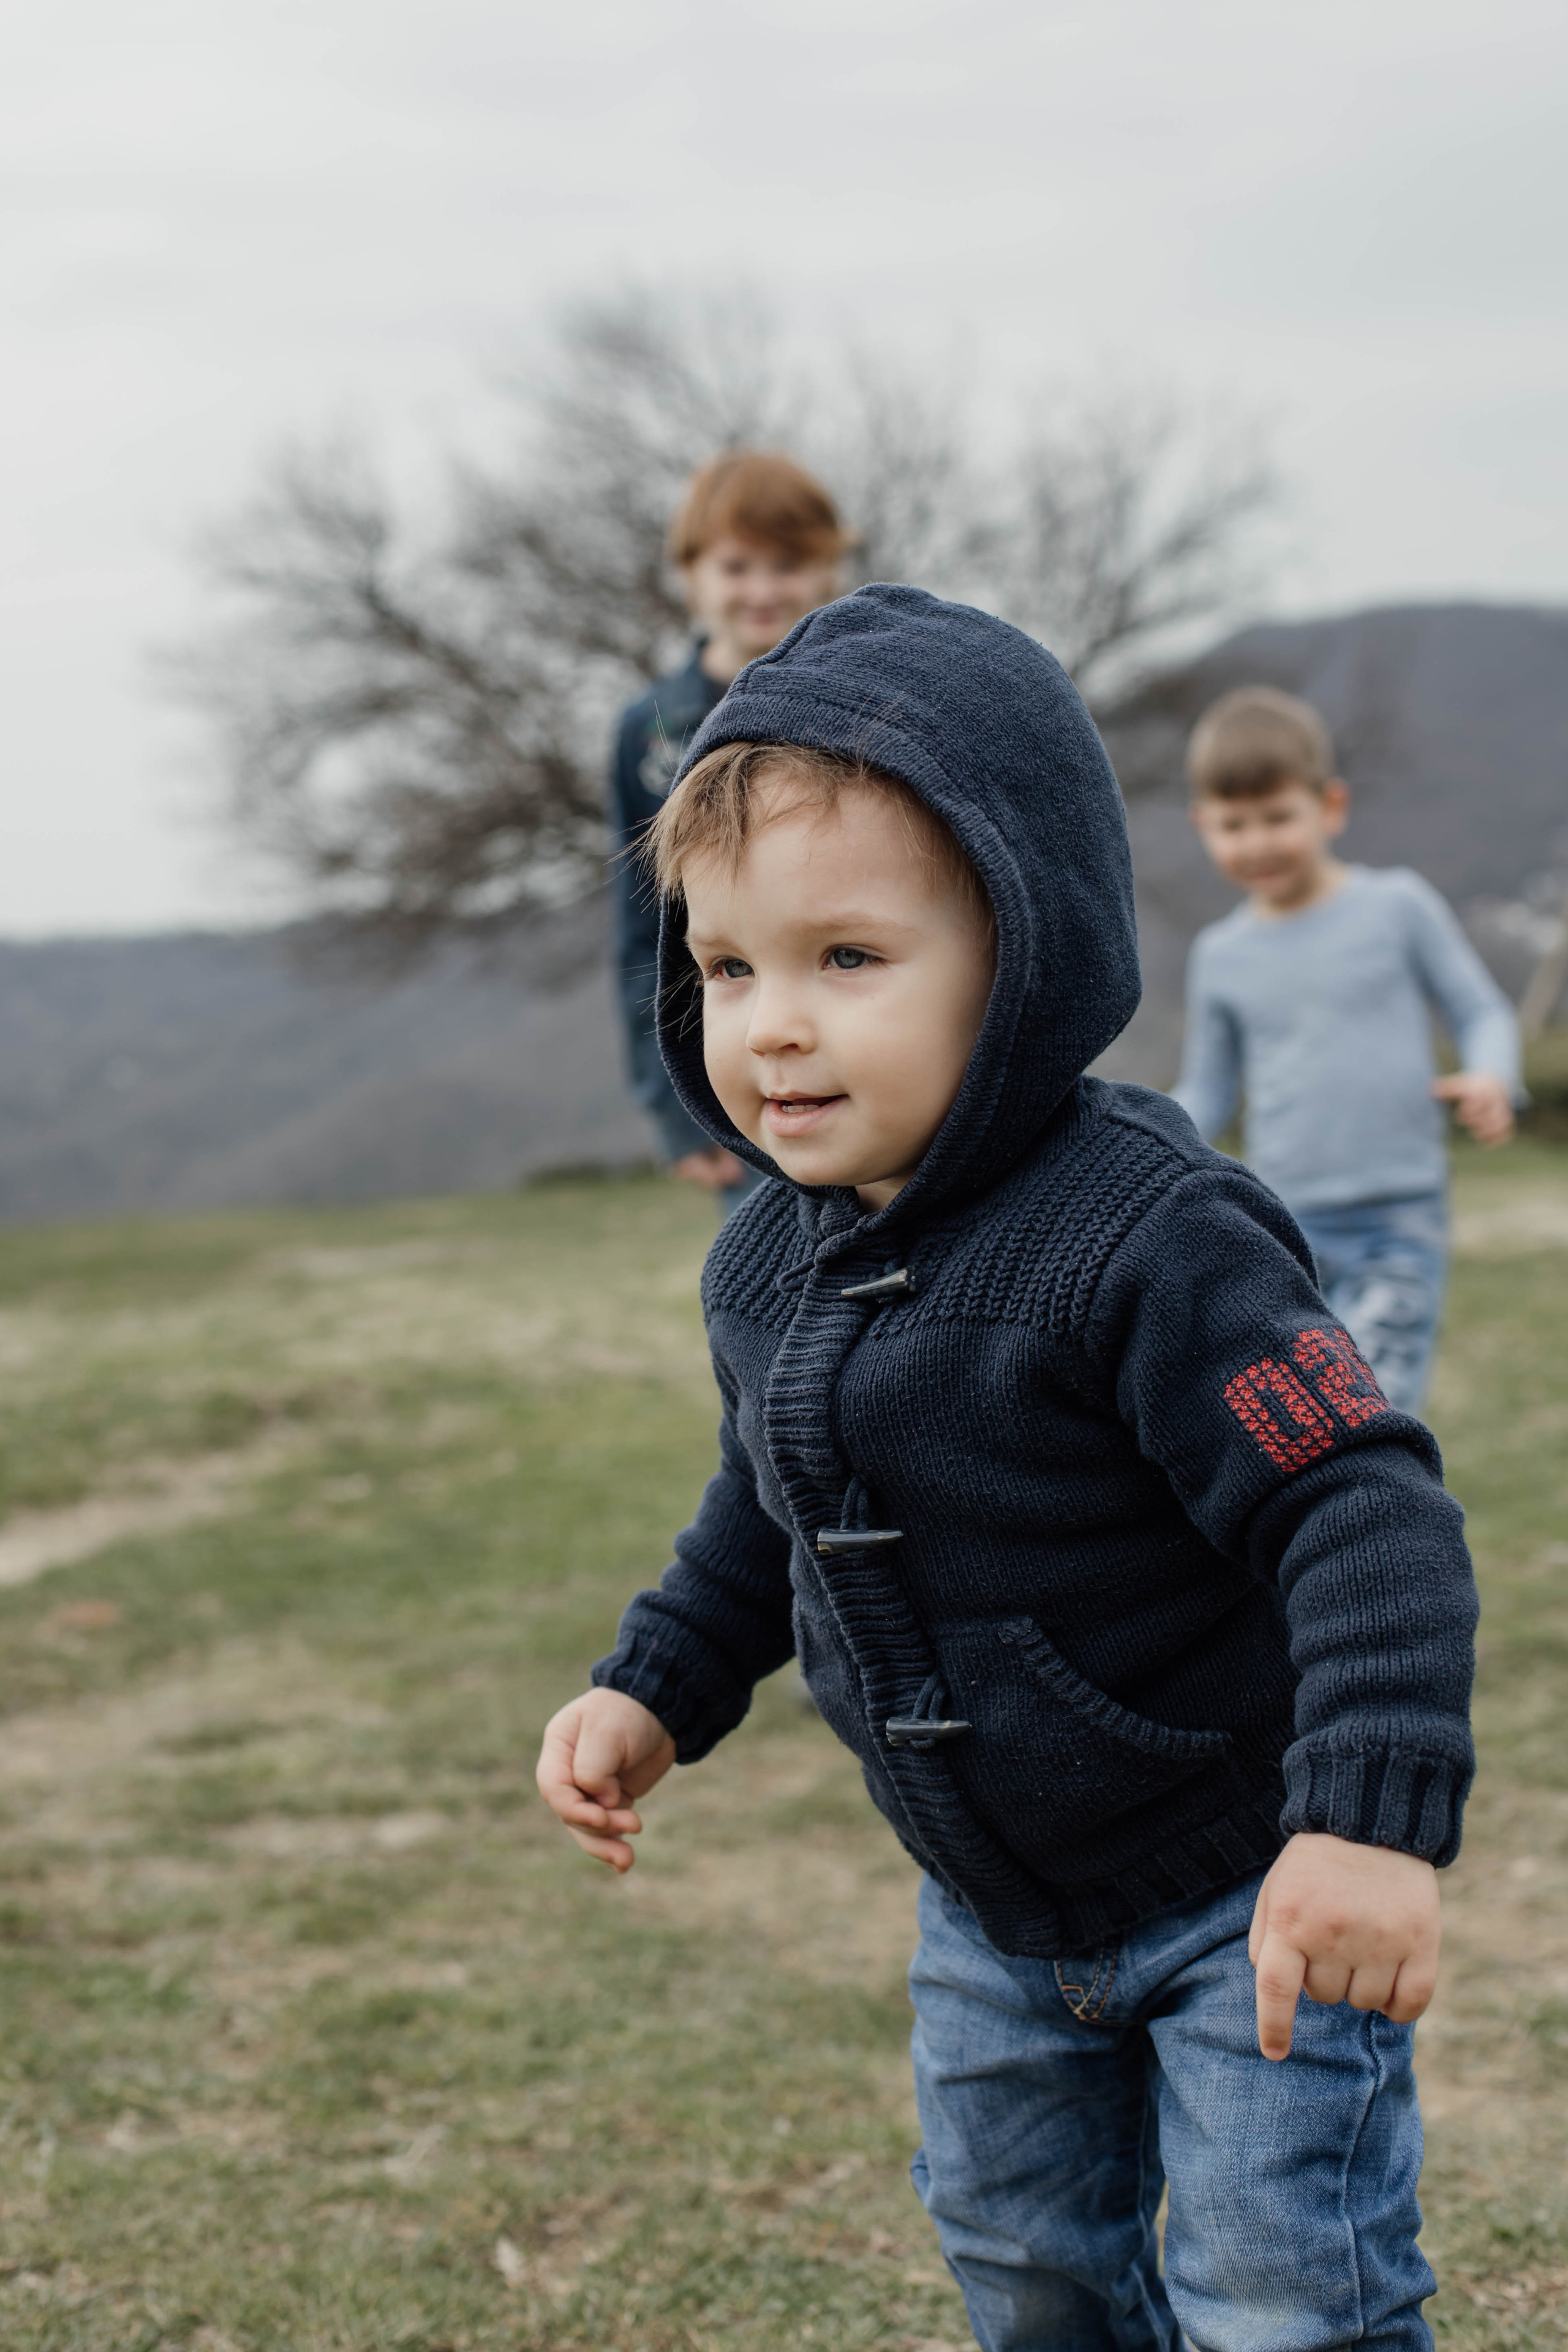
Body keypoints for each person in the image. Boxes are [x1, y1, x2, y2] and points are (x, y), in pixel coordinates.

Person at [537, 587, 1477, 2351]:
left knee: (1286, 2302)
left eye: (849, 961)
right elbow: (775, 1494)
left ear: (1021, 945)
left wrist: (1362, 1824)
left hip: (1246, 1885)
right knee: (1029, 2272)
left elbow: (1360, 1498)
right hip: (989, 1916)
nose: (772, 1027)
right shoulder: (768, 1255)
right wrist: (658, 1683)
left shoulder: (1151, 1236)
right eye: (730, 968)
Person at [1174, 685, 1522, 1414]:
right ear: (1203, 825)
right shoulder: (1221, 955)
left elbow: (1479, 1008)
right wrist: (1149, 1149)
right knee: (1299, 1424)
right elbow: (1206, 1093)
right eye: (1234, 824)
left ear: (1329, 807)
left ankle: (1392, 1527)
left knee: (1373, 1412)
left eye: (1278, 817)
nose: (1258, 842)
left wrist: (1493, 1073)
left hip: (1397, 1217)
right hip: (1281, 1225)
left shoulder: (1397, 907)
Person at [609, 449, 848, 1213]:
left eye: (786, 564)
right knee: (770, 1289)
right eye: (736, 566)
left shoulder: (863, 692)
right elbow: (641, 930)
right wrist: (674, 1109)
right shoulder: (647, 732)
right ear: (690, 574)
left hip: (858, 1022)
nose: (761, 589)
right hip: (738, 1061)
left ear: (828, 569)